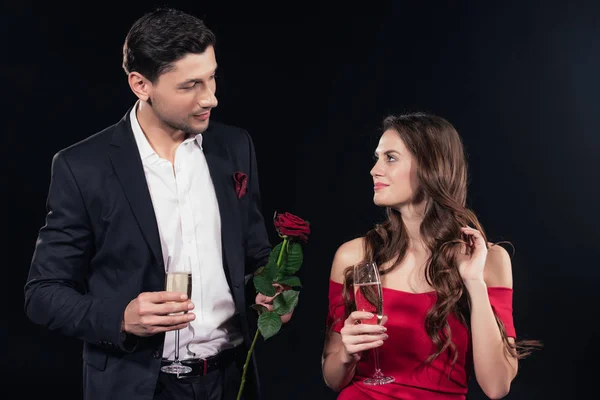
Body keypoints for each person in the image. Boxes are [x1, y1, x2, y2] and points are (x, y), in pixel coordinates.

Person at [24, 7, 288, 400]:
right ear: (140, 84)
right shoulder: (83, 167)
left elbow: (255, 252)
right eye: (190, 85)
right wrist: (122, 318)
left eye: (212, 77)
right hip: (138, 385)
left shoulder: (235, 147)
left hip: (232, 380)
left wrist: (272, 288)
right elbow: (42, 293)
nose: (211, 98)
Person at [322, 112, 540, 399]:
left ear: (430, 166)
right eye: (377, 157)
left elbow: (497, 386)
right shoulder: (353, 256)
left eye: (390, 158)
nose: (374, 170)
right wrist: (347, 354)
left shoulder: (490, 260)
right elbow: (332, 378)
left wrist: (473, 281)